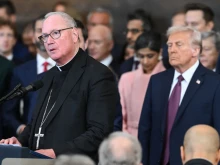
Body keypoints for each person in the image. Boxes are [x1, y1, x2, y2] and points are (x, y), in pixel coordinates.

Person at [0, 12, 117, 162]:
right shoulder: (48, 76)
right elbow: (38, 124)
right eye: (45, 36)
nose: (48, 41)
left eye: (55, 33)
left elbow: (99, 132)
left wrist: (57, 152)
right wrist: (20, 141)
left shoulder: (98, 74)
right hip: (36, 161)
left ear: (75, 35)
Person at [138, 26, 220, 165]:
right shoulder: (157, 81)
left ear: (196, 50)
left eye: (178, 44)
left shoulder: (214, 83)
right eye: (169, 45)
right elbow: (145, 127)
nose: (172, 50)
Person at [2, 15, 55, 138]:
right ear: (32, 36)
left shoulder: (66, 68)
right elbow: (8, 111)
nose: (44, 35)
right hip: (28, 141)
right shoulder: (20, 71)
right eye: (39, 30)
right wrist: (20, 128)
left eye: (49, 31)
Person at [119, 31, 165, 137]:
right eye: (141, 56)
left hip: (159, 137)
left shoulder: (169, 78)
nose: (145, 61)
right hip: (130, 137)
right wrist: (125, 137)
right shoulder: (127, 78)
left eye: (150, 56)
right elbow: (120, 114)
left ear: (160, 53)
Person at [120, 9, 153, 76]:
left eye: (134, 31)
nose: (128, 36)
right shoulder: (125, 66)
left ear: (146, 33)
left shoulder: (160, 63)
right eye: (127, 31)